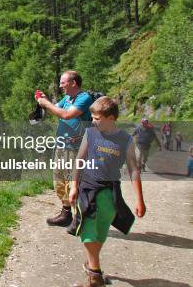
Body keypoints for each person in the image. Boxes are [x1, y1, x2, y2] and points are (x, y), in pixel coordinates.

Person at [68, 97, 145, 287]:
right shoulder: (90, 133)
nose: (93, 121)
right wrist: (74, 185)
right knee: (87, 228)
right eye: (92, 117)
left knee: (101, 232)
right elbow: (80, 159)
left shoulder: (125, 140)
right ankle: (95, 274)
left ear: (111, 118)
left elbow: (134, 169)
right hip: (87, 188)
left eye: (97, 118)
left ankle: (91, 265)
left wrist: (139, 200)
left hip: (110, 192)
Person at [37, 70, 93, 227]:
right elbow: (56, 109)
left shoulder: (84, 98)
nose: (60, 86)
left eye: (63, 82)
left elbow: (67, 115)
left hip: (76, 148)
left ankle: (80, 219)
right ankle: (66, 213)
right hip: (62, 146)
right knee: (60, 180)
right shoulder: (68, 98)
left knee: (74, 182)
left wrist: (46, 104)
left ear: (73, 83)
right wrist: (43, 100)